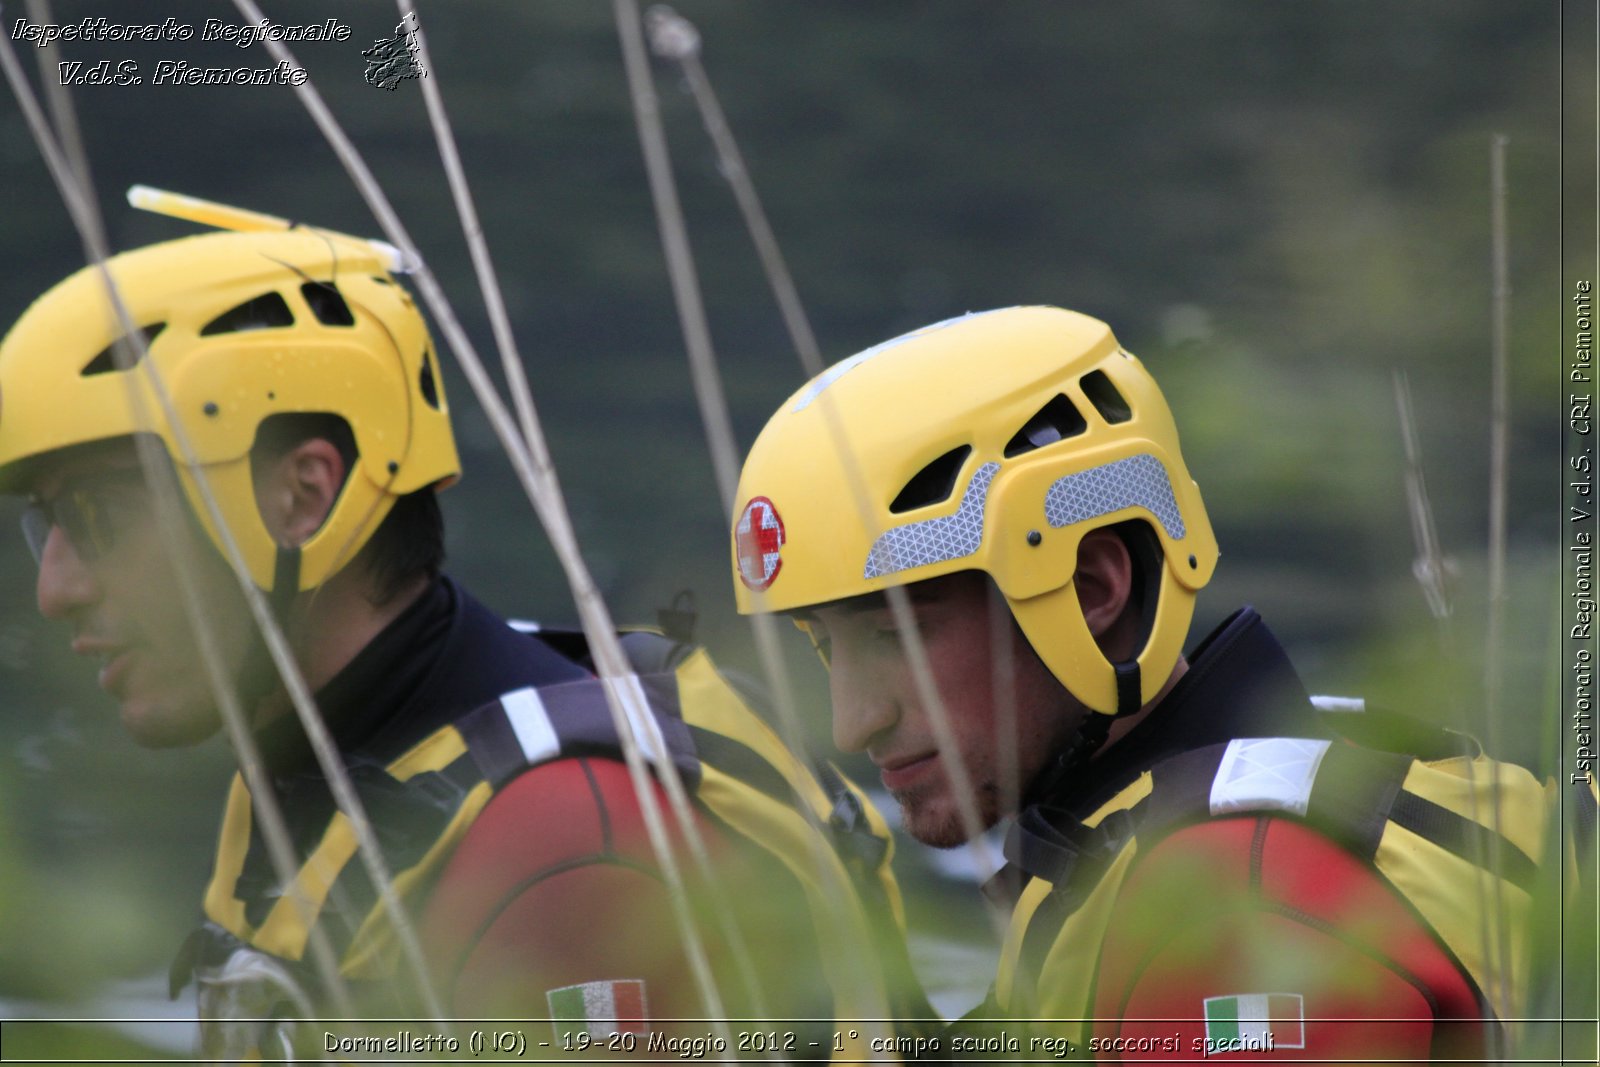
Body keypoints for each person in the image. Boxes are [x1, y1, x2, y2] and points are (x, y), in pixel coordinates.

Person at [0, 219, 930, 1060]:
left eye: (104, 515)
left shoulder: (566, 851)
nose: (57, 589)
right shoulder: (308, 778)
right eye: (46, 526)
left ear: (303, 494)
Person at [730, 305, 1554, 1061]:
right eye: (825, 646)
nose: (851, 723)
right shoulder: (1295, 780)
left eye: (892, 635)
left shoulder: (1236, 900)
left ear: (1088, 587)